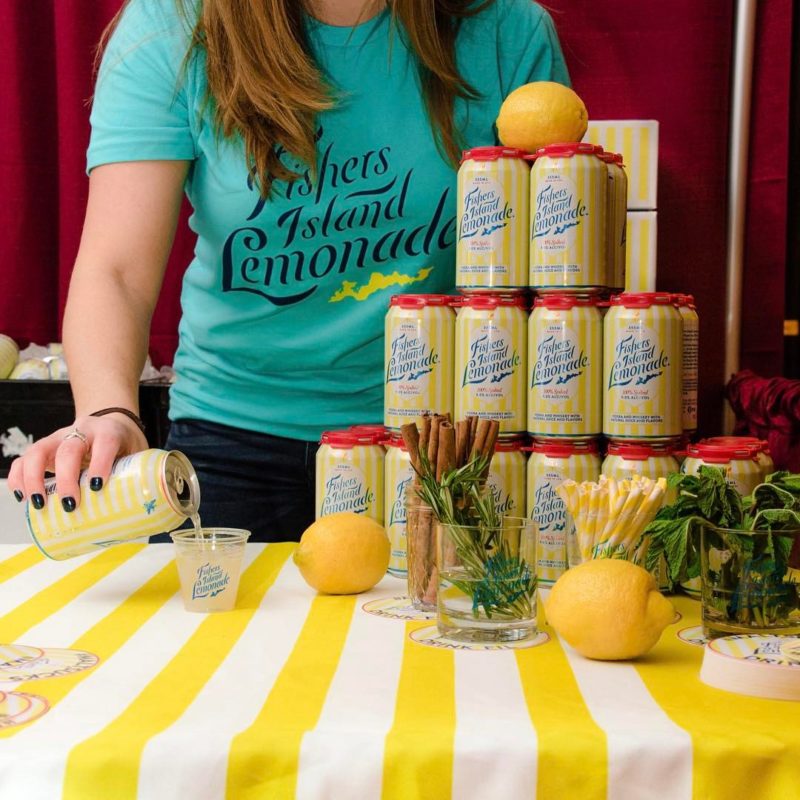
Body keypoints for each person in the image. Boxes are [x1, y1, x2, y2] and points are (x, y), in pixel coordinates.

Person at [8, 0, 570, 542]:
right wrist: (108, 410)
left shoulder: (506, 32)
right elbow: (117, 271)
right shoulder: (172, 26)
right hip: (230, 450)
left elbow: (547, 276)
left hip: (438, 445)